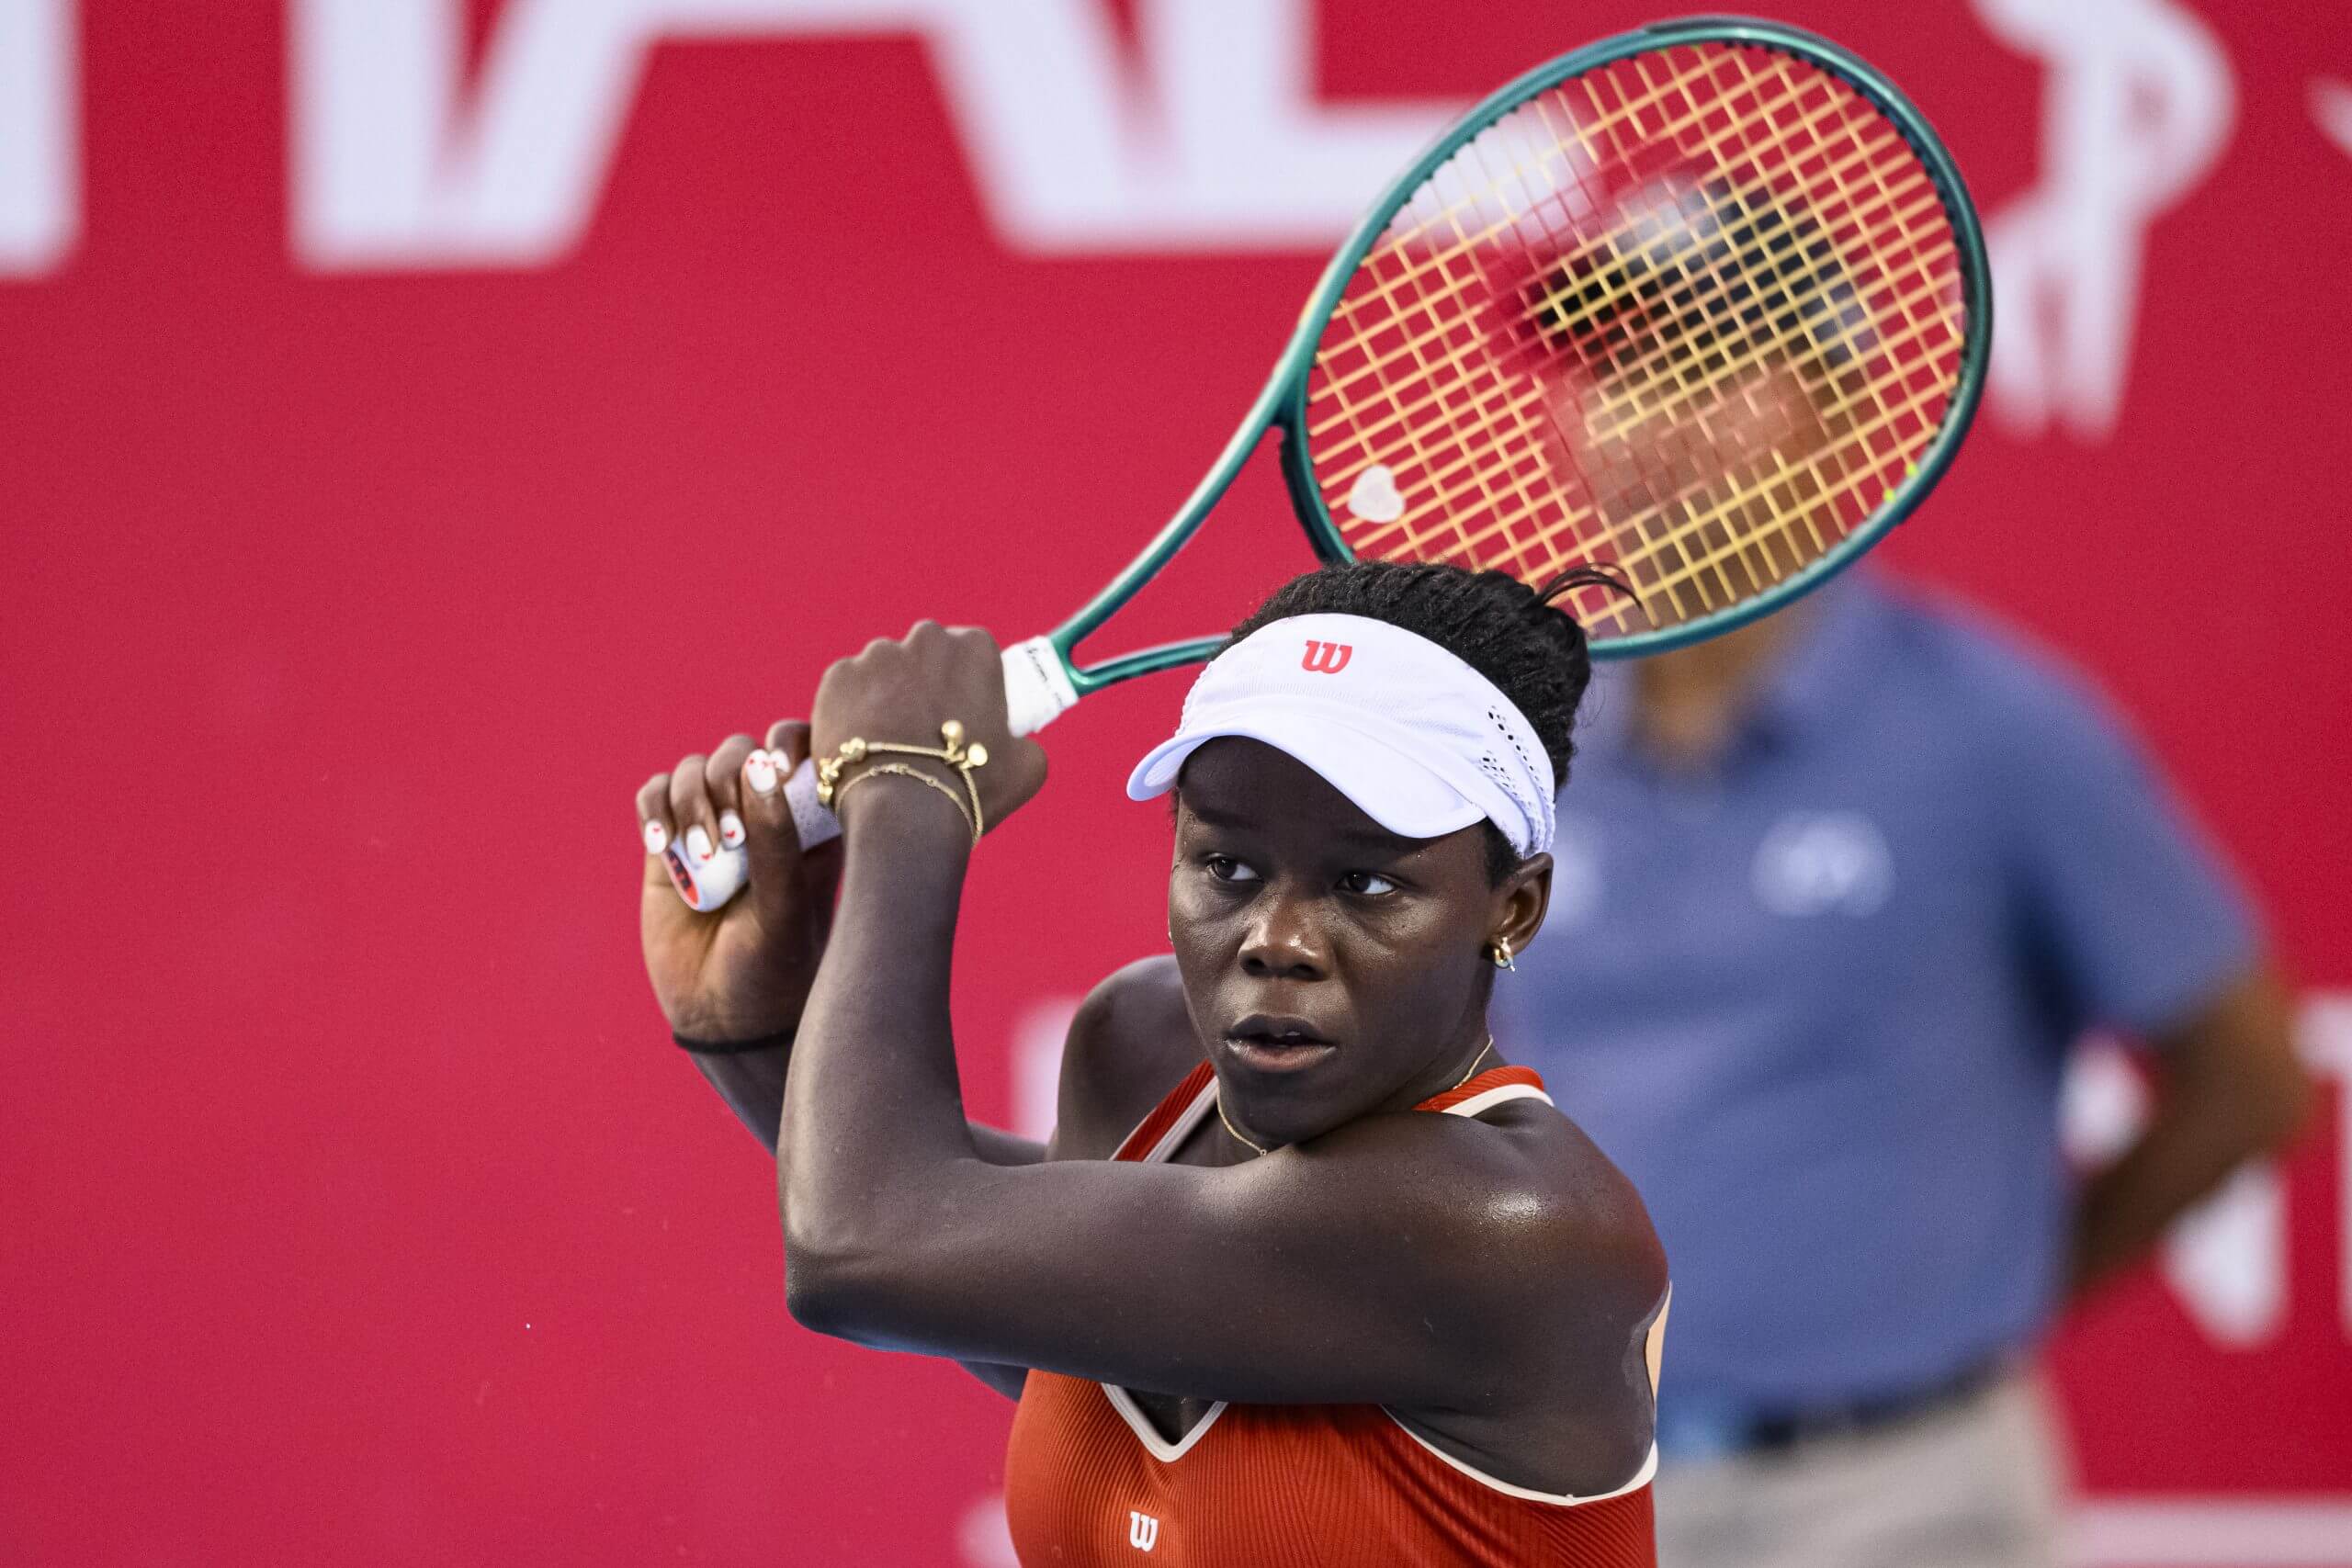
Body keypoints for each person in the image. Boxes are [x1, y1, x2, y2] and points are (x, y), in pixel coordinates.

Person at [1490, 169, 2314, 1568]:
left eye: (1715, 364)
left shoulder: (1996, 726)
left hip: (1902, 1501)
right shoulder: (1520, 750)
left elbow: (2249, 1078)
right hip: (1563, 1489)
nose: (1654, 423)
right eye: (1620, 369)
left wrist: (1986, 1299)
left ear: (1844, 409)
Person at [635, 562, 1673, 1565]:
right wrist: (759, 1034)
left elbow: (865, 1249)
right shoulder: (1138, 1051)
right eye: (1225, 864)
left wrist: (911, 788)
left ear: (1514, 907)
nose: (1277, 937)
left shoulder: (1512, 1229)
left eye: (1363, 883)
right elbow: (1042, 1319)